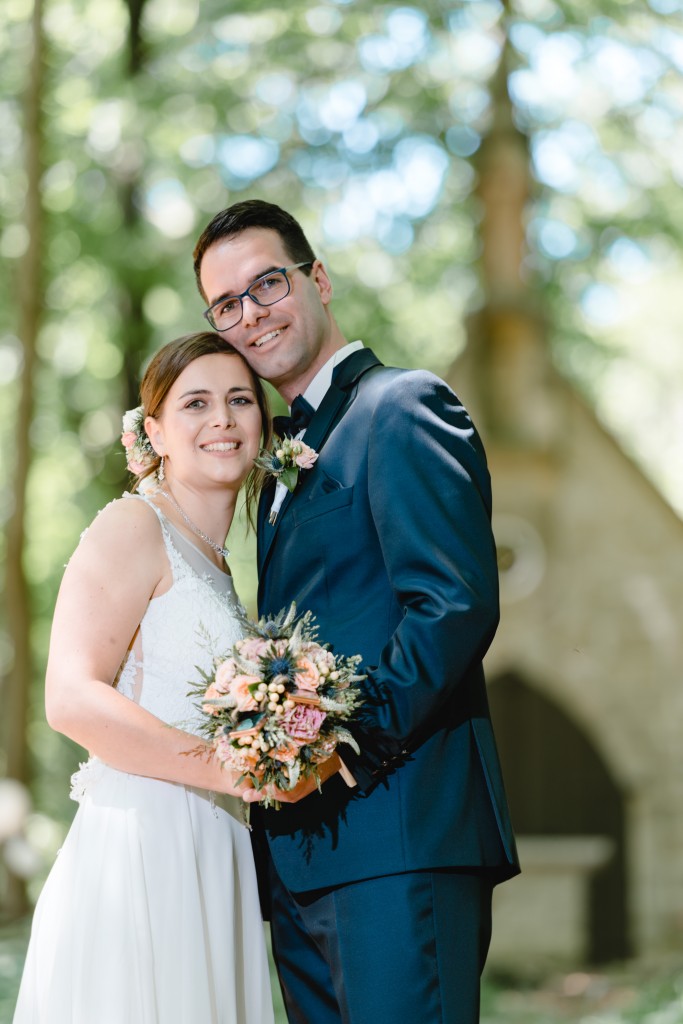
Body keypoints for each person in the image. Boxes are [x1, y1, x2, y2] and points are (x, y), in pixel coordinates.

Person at [192, 200, 521, 1024]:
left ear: (318, 279)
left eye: (266, 284)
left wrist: (334, 744)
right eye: (225, 305)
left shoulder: (402, 407)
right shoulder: (273, 469)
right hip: (302, 861)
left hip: (401, 837)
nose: (250, 316)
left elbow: (451, 606)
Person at [13, 333, 275, 1024]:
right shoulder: (133, 525)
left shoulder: (218, 560)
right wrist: (229, 769)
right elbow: (70, 698)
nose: (221, 419)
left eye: (239, 400)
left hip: (216, 847)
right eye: (196, 403)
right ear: (153, 430)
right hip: (143, 850)